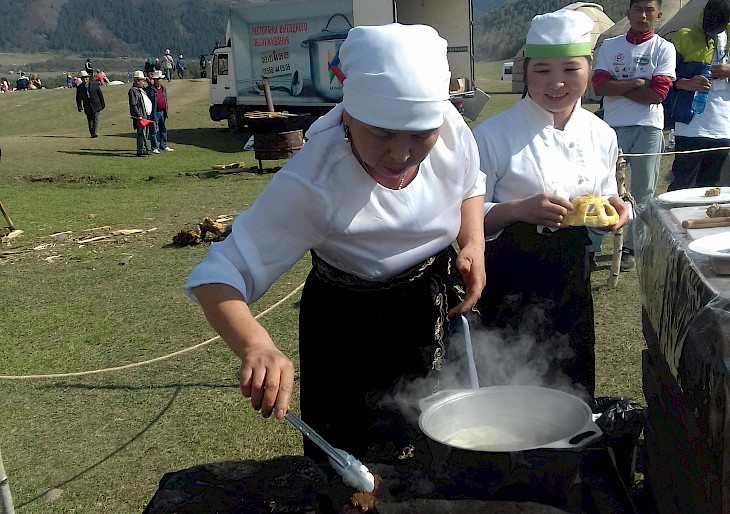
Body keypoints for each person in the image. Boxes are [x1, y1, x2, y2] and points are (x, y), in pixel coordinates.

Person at [183, 23, 486, 464]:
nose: (401, 155)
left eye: (421, 136)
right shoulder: (313, 181)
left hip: (431, 304)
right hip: (349, 326)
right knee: (357, 466)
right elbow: (217, 276)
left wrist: (472, 240)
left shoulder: (449, 125)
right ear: (349, 114)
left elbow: (468, 183)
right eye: (381, 134)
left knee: (443, 449)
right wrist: (256, 345)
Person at [472, 10, 629, 398]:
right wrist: (517, 210)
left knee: (571, 376)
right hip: (510, 271)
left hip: (572, 269)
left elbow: (606, 193)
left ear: (589, 70)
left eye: (570, 69)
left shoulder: (601, 133)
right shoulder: (493, 134)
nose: (556, 83)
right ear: (524, 72)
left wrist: (614, 211)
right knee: (510, 380)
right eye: (541, 70)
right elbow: (465, 216)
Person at [592, 0, 676, 271]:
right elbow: (599, 86)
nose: (643, 15)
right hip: (612, 127)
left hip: (649, 127)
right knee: (600, 187)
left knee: (643, 191)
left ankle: (632, 247)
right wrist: (638, 82)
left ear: (658, 15)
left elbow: (658, 94)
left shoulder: (664, 48)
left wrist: (619, 86)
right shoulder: (611, 45)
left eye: (649, 10)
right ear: (627, 13)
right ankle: (590, 248)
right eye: (637, 9)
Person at [667, 0, 730, 191]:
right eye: (708, 27)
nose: (711, 31)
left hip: (723, 125)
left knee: (710, 186)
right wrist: (685, 83)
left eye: (716, 28)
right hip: (690, 125)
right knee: (683, 185)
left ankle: (703, 221)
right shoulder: (683, 36)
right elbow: (664, 76)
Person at [129, 70, 152, 157]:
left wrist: (148, 83)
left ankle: (145, 148)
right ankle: (141, 150)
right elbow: (133, 104)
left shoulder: (141, 90)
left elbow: (151, 90)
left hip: (146, 114)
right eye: (142, 81)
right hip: (141, 116)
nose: (143, 82)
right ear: (137, 81)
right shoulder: (133, 91)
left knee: (146, 132)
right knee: (141, 133)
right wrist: (138, 115)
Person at [76, 69, 105, 138]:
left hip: (96, 105)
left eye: (86, 77)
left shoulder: (94, 85)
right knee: (90, 119)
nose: (85, 79)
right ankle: (92, 132)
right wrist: (79, 106)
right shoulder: (80, 87)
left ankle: (94, 132)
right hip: (87, 106)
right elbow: (78, 98)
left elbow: (100, 94)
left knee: (95, 118)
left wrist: (102, 103)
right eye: (83, 78)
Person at [149, 70, 174, 152]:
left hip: (162, 112)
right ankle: (154, 147)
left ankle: (163, 145)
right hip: (155, 112)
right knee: (153, 130)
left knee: (163, 129)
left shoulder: (163, 89)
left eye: (159, 79)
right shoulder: (151, 89)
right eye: (156, 79)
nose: (157, 81)